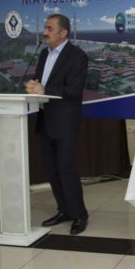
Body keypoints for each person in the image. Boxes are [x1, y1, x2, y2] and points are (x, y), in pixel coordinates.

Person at [25, 13, 89, 235]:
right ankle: (64, 210)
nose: (45, 32)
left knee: (65, 169)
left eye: (49, 28)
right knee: (51, 171)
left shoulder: (77, 56)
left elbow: (74, 90)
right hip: (45, 119)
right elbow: (42, 81)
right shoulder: (44, 53)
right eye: (45, 27)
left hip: (65, 123)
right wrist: (34, 85)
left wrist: (44, 89)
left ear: (63, 33)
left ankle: (79, 214)